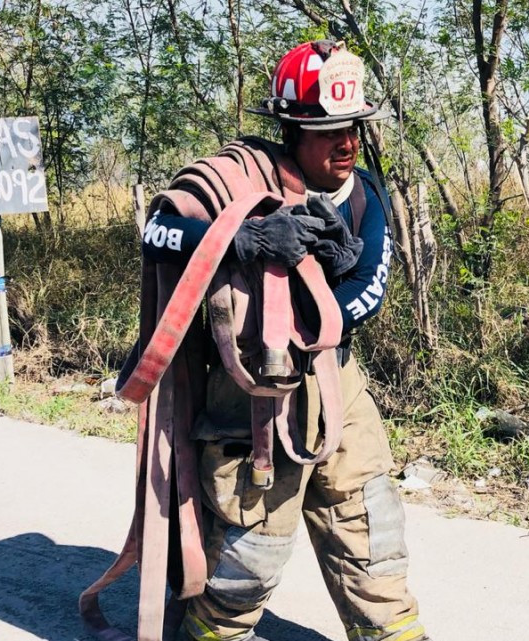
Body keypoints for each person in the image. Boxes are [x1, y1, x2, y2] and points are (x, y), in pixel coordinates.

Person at [140, 40, 429, 641]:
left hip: (337, 384)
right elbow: (156, 233)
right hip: (250, 395)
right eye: (328, 132)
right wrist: (237, 240)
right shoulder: (238, 179)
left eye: (352, 128)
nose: (346, 144)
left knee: (371, 528)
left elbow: (369, 291)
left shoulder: (366, 196)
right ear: (292, 131)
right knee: (247, 555)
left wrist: (322, 298)